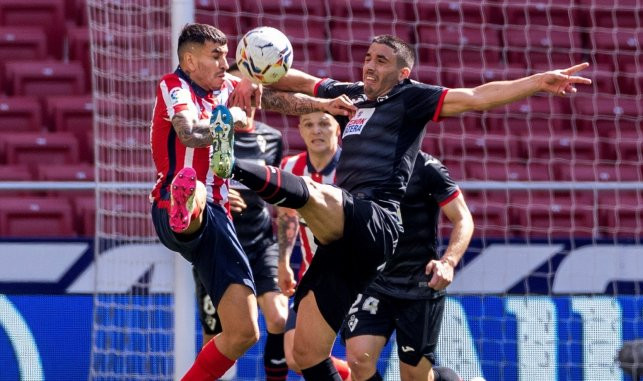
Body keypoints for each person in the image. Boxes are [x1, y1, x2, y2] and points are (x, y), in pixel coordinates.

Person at [220, 34, 591, 380]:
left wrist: (538, 81)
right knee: (306, 353)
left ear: (402, 73)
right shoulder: (350, 96)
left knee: (318, 194)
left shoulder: (411, 98)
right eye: (367, 57)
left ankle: (231, 164)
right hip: (346, 238)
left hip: (377, 219)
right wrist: (252, 76)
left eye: (381, 60)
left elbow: (477, 96)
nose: (369, 65)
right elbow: (300, 82)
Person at [149, 23, 354, 381]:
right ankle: (187, 207)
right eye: (217, 56)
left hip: (221, 218)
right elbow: (188, 133)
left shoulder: (225, 89)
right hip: (171, 205)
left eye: (226, 55)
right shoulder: (174, 86)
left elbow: (278, 100)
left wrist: (325, 103)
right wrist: (228, 121)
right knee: (192, 184)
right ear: (189, 60)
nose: (226, 63)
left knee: (245, 332)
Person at [192, 62, 289, 380]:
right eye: (242, 85)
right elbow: (189, 182)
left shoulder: (272, 138)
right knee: (216, 337)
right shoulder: (207, 132)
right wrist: (217, 197)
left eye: (256, 86)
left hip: (260, 243)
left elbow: (278, 193)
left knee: (277, 318)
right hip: (218, 244)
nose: (249, 92)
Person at [342, 151, 474, 381]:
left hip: (419, 284)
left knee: (414, 376)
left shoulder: (428, 167)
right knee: (357, 359)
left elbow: (463, 218)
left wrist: (448, 262)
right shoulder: (362, 163)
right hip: (374, 280)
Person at [275, 111, 352, 380]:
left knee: (362, 353)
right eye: (309, 124)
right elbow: (287, 217)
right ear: (300, 130)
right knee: (295, 356)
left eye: (324, 124)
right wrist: (283, 262)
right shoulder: (290, 168)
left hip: (357, 279)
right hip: (313, 278)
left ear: (338, 130)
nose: (316, 130)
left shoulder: (354, 168)